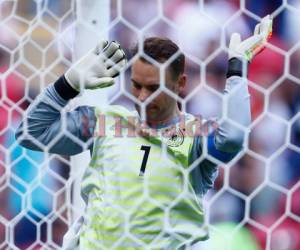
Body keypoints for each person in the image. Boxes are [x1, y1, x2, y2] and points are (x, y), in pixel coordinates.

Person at [15, 15, 272, 249]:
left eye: (153, 87)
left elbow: (234, 137)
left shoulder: (195, 135)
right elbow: (31, 133)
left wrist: (237, 70)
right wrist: (67, 84)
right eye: (136, 85)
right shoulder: (104, 121)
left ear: (179, 84)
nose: (142, 97)